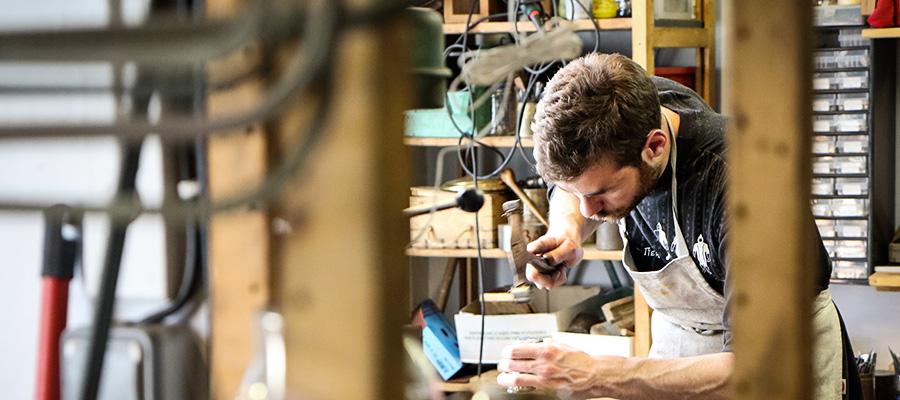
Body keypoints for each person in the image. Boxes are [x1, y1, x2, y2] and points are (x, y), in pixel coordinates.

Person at [496, 53, 862, 400]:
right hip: (681, 345)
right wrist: (567, 230)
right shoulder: (622, 105)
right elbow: (575, 187)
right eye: (578, 193)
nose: (586, 208)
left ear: (654, 147)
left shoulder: (748, 189)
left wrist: (597, 375)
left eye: (601, 192)